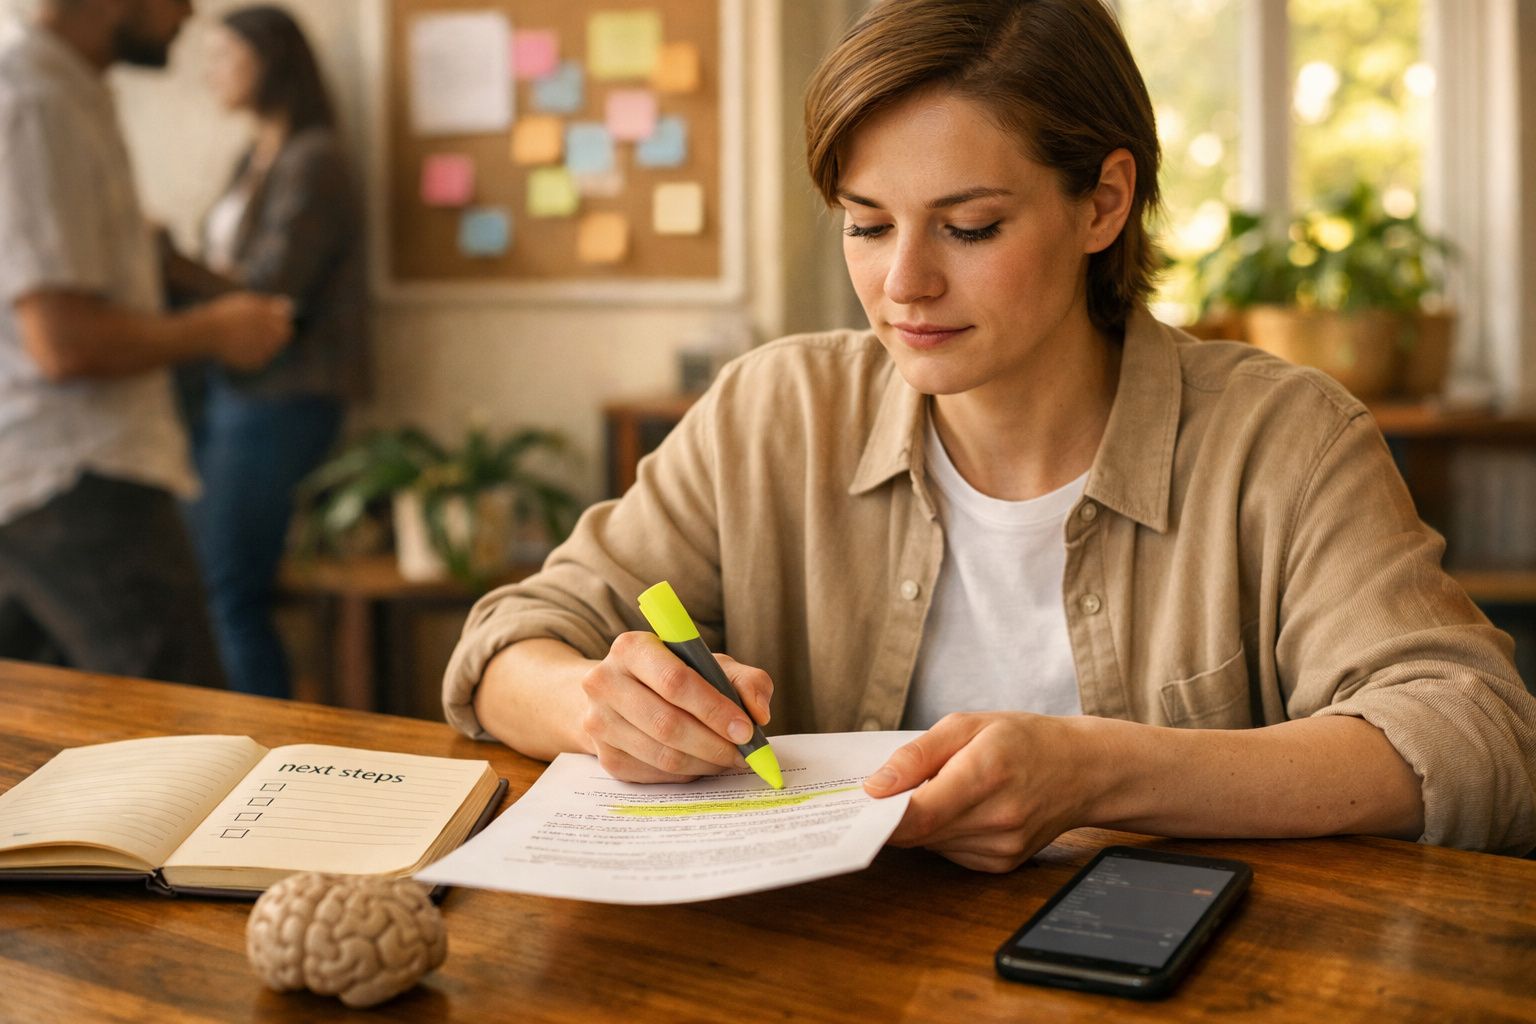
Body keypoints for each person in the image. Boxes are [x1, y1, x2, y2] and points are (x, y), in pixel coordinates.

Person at [443, 0, 1536, 863]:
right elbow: (506, 643)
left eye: (970, 226)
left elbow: (1476, 737)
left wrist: (1107, 774)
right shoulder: (770, 411)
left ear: (1104, 204)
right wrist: (603, 709)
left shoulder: (1281, 440)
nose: (903, 284)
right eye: (867, 226)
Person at [0, 0, 293, 687]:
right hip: (78, 475)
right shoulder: (38, 100)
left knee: (58, 742)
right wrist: (217, 331)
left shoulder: (68, 90)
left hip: (63, 474)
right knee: (184, 731)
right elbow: (62, 341)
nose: (190, 13)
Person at [163, 4, 369, 698]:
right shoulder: (253, 156)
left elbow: (272, 291)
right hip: (234, 391)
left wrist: (166, 260)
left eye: (227, 56)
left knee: (230, 586)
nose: (212, 71)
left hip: (283, 395)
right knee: (217, 582)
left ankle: (263, 749)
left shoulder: (315, 158)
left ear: (271, 61)